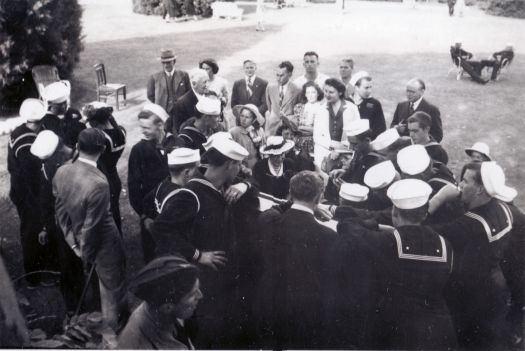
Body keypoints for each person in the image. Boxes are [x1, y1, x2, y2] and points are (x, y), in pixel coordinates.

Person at [150, 134, 255, 348]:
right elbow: (161, 229)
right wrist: (198, 255)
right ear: (229, 164)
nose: (241, 170)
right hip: (204, 282)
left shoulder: (221, 185)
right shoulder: (191, 195)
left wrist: (245, 185)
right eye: (239, 165)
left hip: (222, 278)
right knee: (208, 333)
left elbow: (254, 184)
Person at [332, 178, 456, 349]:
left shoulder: (387, 242)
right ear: (425, 213)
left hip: (397, 330)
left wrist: (373, 224)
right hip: (436, 330)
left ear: (395, 213)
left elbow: (348, 228)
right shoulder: (445, 244)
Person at [428, 162, 524, 349]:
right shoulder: (503, 208)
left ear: (480, 189)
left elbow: (426, 232)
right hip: (496, 290)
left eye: (465, 181)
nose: (460, 185)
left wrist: (438, 199)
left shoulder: (471, 225)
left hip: (470, 300)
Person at [53, 128, 128, 332]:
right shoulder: (99, 183)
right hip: (105, 244)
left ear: (77, 146)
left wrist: (74, 244)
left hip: (80, 240)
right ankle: (113, 338)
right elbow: (92, 225)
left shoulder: (62, 171)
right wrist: (86, 256)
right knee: (113, 291)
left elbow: (60, 212)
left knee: (108, 291)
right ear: (102, 149)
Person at [256, 171, 337, 349]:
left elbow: (272, 212)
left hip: (270, 305)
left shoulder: (269, 221)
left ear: (290, 193)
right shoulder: (328, 235)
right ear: (320, 195)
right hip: (305, 311)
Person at [30, 130, 87, 312]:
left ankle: (95, 306)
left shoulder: (83, 161)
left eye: (49, 159)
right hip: (63, 227)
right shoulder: (48, 169)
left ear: (60, 151)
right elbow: (45, 201)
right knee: (68, 267)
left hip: (86, 223)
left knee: (91, 265)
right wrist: (46, 227)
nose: (46, 164)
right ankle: (74, 308)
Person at [118, 256, 203, 349]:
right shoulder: (141, 344)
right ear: (167, 308)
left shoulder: (160, 306)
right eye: (192, 295)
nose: (200, 295)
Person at [7, 98, 46, 287]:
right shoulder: (26, 143)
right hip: (27, 191)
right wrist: (38, 200)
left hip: (21, 186)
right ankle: (33, 275)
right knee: (32, 229)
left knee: (36, 227)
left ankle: (41, 265)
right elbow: (31, 177)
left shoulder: (18, 131)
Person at [128, 104, 173, 263]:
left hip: (174, 208)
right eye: (141, 127)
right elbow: (133, 187)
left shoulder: (176, 143)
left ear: (160, 125)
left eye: (147, 127)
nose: (143, 131)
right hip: (151, 212)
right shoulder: (138, 150)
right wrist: (144, 215)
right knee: (153, 255)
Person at [84, 102, 127, 232]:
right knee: (114, 213)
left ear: (97, 122)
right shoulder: (121, 132)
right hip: (114, 177)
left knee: (106, 217)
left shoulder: (102, 138)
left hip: (103, 177)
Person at [397, 144, 463, 224]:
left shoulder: (433, 190)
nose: (405, 179)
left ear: (421, 175)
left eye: (407, 176)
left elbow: (416, 221)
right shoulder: (439, 168)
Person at [313, 78, 360, 168]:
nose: (327, 94)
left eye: (331, 92)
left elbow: (357, 133)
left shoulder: (352, 108)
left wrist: (340, 149)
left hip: (346, 151)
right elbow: (317, 136)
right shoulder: (320, 109)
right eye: (325, 91)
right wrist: (331, 146)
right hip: (325, 150)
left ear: (340, 93)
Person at [146, 49, 191, 125]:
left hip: (180, 113)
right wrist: (161, 102)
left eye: (168, 62)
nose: (166, 65)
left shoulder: (183, 75)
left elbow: (189, 93)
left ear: (174, 61)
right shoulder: (154, 77)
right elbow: (150, 95)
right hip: (163, 113)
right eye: (163, 63)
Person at [41, 81, 85, 147]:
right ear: (50, 105)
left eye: (66, 102)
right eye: (60, 104)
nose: (66, 105)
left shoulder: (74, 112)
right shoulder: (45, 121)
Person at [166, 68, 210, 134]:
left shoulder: (212, 96)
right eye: (205, 82)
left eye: (208, 81)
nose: (208, 85)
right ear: (194, 84)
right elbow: (178, 130)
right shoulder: (181, 104)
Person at [265, 61, 301, 136]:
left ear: (290, 74)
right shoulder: (270, 88)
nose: (278, 78)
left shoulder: (298, 90)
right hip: (273, 128)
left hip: (288, 130)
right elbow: (269, 107)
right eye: (277, 75)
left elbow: (299, 112)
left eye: (281, 75)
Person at [290, 81, 324, 156]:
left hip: (315, 143)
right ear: (305, 94)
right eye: (308, 93)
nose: (310, 95)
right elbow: (295, 127)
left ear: (318, 93)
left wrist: (301, 128)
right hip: (298, 142)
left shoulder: (323, 109)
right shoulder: (299, 107)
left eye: (313, 92)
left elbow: (320, 130)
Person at [230, 103, 266, 170]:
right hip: (241, 169)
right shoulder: (234, 132)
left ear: (254, 119)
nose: (243, 119)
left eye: (247, 117)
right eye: (242, 116)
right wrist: (243, 169)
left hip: (258, 166)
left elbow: (264, 150)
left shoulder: (259, 131)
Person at [351, 72, 386, 139]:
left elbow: (381, 128)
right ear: (356, 88)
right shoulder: (347, 102)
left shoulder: (375, 103)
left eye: (370, 87)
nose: (369, 91)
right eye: (366, 88)